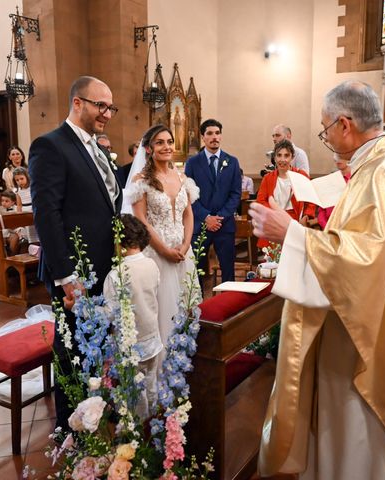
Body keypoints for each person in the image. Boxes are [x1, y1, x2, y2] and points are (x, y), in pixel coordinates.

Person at [250, 80, 385, 480]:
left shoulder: (383, 172)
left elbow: (366, 261)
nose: (326, 138)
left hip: (362, 338)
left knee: (356, 432)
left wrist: (292, 234)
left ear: (344, 124)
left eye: (325, 129)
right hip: (384, 316)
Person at [29, 75, 122, 428]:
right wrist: (66, 276)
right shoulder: (50, 145)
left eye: (110, 107)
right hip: (74, 272)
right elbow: (47, 214)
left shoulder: (96, 148)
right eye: (101, 105)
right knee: (71, 350)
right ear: (77, 103)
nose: (107, 114)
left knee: (95, 348)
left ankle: (94, 415)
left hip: (100, 267)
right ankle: (71, 428)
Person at [127, 125, 199, 347]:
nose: (166, 146)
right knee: (161, 310)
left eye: (169, 141)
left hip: (182, 251)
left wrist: (186, 244)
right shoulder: (142, 180)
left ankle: (184, 357)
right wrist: (164, 250)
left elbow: (188, 214)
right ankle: (162, 366)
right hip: (156, 253)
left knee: (186, 306)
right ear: (149, 149)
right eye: (160, 142)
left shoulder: (182, 177)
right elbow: (141, 220)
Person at [103, 214, 162, 418]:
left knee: (135, 395)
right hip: (153, 338)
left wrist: (79, 308)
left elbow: (108, 314)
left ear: (118, 241)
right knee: (152, 386)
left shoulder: (116, 274)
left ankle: (138, 433)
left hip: (131, 345)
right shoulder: (152, 265)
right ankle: (155, 426)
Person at [184, 119, 241, 285]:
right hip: (200, 225)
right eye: (209, 133)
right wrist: (206, 217)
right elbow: (189, 194)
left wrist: (219, 217)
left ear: (221, 136)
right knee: (198, 271)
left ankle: (230, 306)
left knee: (228, 271)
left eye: (217, 133)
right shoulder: (193, 163)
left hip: (225, 226)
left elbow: (235, 194)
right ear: (203, 137)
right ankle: (198, 308)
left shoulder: (232, 162)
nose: (214, 137)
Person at [255, 139, 314, 248]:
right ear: (275, 157)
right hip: (274, 221)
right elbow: (261, 201)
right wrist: (273, 214)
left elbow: (311, 201)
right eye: (279, 155)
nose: (282, 159)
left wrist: (306, 216)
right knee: (273, 260)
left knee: (293, 258)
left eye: (286, 155)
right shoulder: (268, 178)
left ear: (292, 157)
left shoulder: (301, 175)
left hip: (295, 221)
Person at [316, 156, 351, 230]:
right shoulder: (330, 180)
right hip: (327, 228)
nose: (338, 159)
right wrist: (326, 226)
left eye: (341, 156)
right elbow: (321, 210)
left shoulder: (355, 180)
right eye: (336, 156)